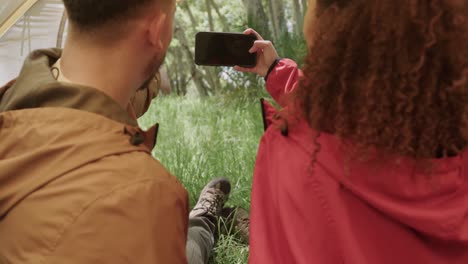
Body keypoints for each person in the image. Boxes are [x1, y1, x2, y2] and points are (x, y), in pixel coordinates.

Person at [0, 0, 241, 263]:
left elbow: (123, 96)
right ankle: (203, 222)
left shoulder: (16, 96)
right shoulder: (145, 196)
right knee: (191, 249)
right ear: (157, 29)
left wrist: (149, 76)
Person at [236, 0, 468, 263]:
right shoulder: (445, 126)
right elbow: (352, 105)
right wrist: (275, 70)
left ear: (331, 20)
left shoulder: (291, 158)